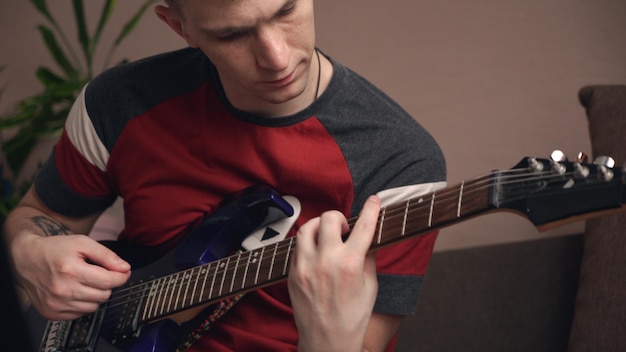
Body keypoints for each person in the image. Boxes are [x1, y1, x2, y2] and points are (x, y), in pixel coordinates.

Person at [3, 0, 446, 351]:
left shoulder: (400, 158)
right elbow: (39, 214)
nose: (276, 57)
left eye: (286, 10)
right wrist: (26, 253)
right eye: (232, 33)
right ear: (180, 27)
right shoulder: (117, 103)